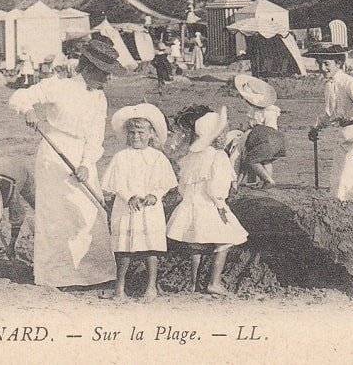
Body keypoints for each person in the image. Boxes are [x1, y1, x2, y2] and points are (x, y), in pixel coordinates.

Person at [8, 36, 123, 288]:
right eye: (105, 73)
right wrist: (28, 111)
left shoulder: (99, 98)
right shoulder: (59, 86)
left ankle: (94, 275)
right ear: (91, 69)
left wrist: (86, 163)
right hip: (55, 154)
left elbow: (95, 136)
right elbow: (19, 96)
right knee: (58, 216)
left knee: (89, 211)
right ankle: (58, 277)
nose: (108, 79)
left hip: (83, 157)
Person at [166, 108, 249, 295]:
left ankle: (193, 283)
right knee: (226, 241)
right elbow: (215, 187)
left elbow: (183, 186)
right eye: (222, 132)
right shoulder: (218, 157)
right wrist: (220, 204)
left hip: (191, 204)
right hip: (210, 205)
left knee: (197, 244)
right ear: (216, 136)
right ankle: (214, 282)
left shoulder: (192, 157)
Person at [102, 103, 177, 302]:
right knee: (123, 247)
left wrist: (155, 195)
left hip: (150, 208)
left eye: (141, 132)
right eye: (132, 132)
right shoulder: (121, 157)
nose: (136, 136)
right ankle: (119, 289)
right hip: (127, 207)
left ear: (151, 133)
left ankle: (151, 287)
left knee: (151, 246)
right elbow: (115, 183)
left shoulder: (157, 158)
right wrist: (129, 196)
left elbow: (165, 182)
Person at [307, 45, 353, 203]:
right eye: (319, 64)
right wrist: (316, 127)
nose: (322, 68)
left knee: (352, 170)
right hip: (344, 132)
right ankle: (340, 205)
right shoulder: (329, 85)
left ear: (338, 63)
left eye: (326, 64)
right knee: (338, 171)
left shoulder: (348, 82)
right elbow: (330, 114)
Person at [231, 74, 286, 188]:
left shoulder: (269, 111)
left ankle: (268, 180)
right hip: (260, 139)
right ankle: (259, 182)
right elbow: (248, 125)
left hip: (266, 139)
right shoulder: (254, 110)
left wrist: (255, 132)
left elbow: (270, 129)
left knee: (251, 160)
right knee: (265, 161)